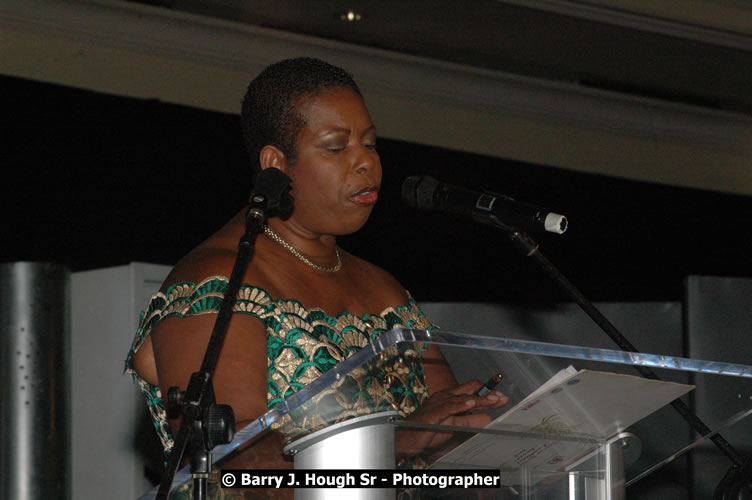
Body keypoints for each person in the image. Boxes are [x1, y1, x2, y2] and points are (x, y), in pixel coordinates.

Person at [125, 57, 508, 498]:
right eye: (336, 146)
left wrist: (509, 450)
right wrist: (394, 445)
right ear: (276, 164)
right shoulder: (219, 279)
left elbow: (446, 433)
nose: (366, 163)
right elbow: (232, 461)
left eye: (370, 144)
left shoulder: (385, 289)